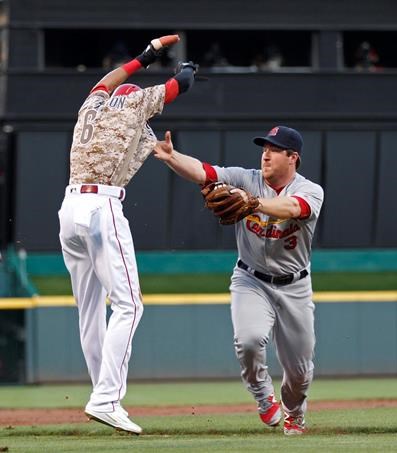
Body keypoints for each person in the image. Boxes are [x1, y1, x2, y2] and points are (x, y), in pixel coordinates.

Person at [58, 34, 197, 434]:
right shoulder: (135, 104)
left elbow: (106, 82)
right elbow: (179, 87)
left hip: (69, 209)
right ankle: (105, 399)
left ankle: (102, 393)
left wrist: (145, 57)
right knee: (129, 305)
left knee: (89, 311)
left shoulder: (93, 104)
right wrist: (186, 69)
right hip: (101, 207)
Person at [153, 125, 323, 435]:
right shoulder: (246, 179)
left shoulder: (310, 189)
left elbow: (293, 208)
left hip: (294, 286)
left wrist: (253, 203)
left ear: (293, 157)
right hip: (251, 279)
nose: (266, 154)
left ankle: (294, 413)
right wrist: (171, 156)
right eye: (264, 148)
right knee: (248, 340)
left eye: (274, 149)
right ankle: (263, 398)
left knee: (299, 372)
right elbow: (205, 172)